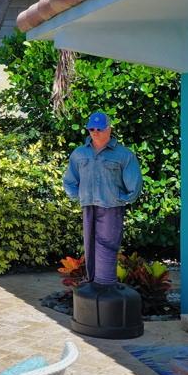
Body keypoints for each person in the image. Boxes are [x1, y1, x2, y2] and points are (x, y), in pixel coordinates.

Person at [63, 112, 143, 286]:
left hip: (111, 207)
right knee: (90, 244)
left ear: (109, 129)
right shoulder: (79, 154)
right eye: (91, 128)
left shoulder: (123, 155)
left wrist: (122, 198)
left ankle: (106, 285)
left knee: (107, 245)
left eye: (99, 128)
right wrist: (79, 195)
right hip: (88, 205)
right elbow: (69, 180)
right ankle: (92, 283)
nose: (95, 132)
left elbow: (134, 183)